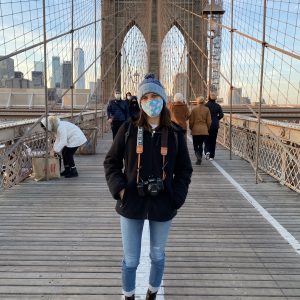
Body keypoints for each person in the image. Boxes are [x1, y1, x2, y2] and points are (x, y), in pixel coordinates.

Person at [103, 73, 193, 300]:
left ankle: (152, 293)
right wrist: (120, 190)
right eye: (146, 97)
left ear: (163, 99)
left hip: (163, 203)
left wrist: (177, 197)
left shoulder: (174, 134)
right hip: (131, 202)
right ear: (140, 101)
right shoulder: (128, 129)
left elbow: (184, 170)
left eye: (155, 96)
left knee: (158, 255)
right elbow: (111, 162)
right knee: (130, 259)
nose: (150, 101)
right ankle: (129, 296)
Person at [189, 96, 212, 165]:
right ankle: (200, 158)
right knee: (201, 144)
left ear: (197, 102)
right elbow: (209, 121)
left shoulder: (194, 109)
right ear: (204, 102)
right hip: (204, 130)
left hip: (195, 130)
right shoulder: (207, 109)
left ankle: (198, 157)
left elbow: (191, 121)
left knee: (195, 145)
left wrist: (191, 127)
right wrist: (207, 128)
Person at [205, 92, 224, 160]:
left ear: (209, 98)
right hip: (215, 126)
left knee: (206, 139)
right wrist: (216, 119)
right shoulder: (218, 106)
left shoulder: (205, 105)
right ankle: (212, 156)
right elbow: (221, 115)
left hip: (207, 125)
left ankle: (207, 151)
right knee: (213, 140)